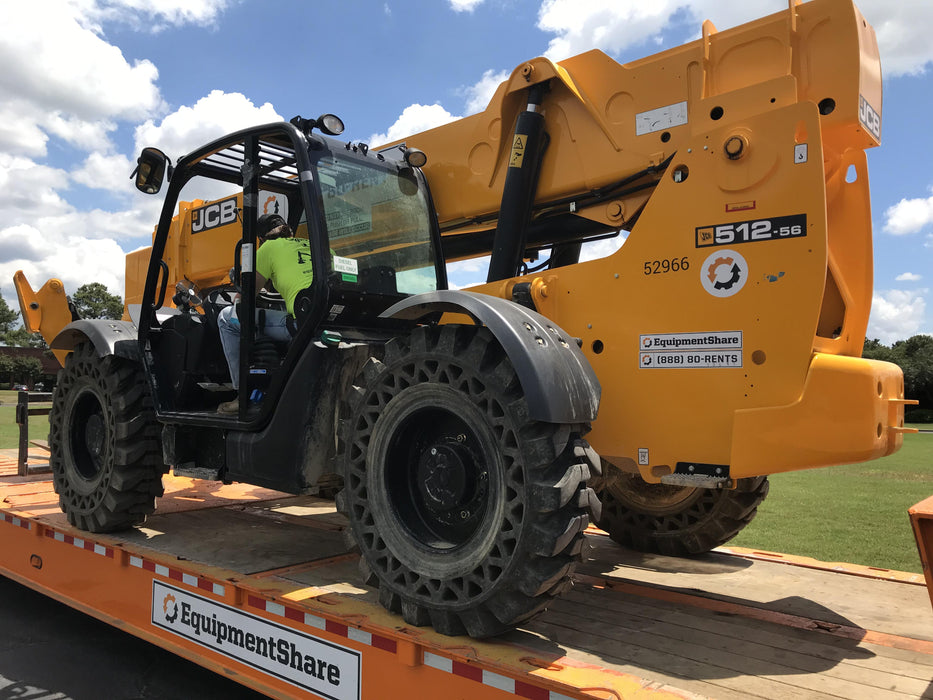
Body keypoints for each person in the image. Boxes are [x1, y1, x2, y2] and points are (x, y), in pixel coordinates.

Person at [217, 213, 313, 413]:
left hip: (301, 323)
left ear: (261, 239)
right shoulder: (315, 247)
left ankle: (242, 394)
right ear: (289, 230)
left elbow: (244, 299)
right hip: (324, 317)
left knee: (228, 317)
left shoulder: (267, 249)